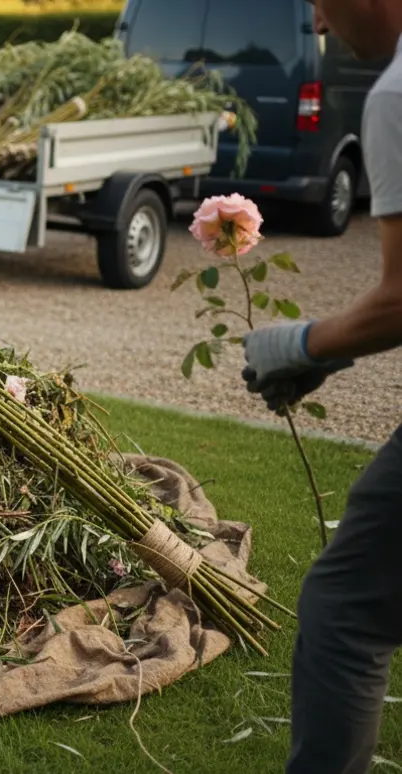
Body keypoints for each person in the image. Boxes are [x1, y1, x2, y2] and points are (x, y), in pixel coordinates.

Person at [240, 2, 402, 772]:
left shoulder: (399, 94)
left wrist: (297, 345)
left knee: (345, 612)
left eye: (322, 3)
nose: (321, 25)